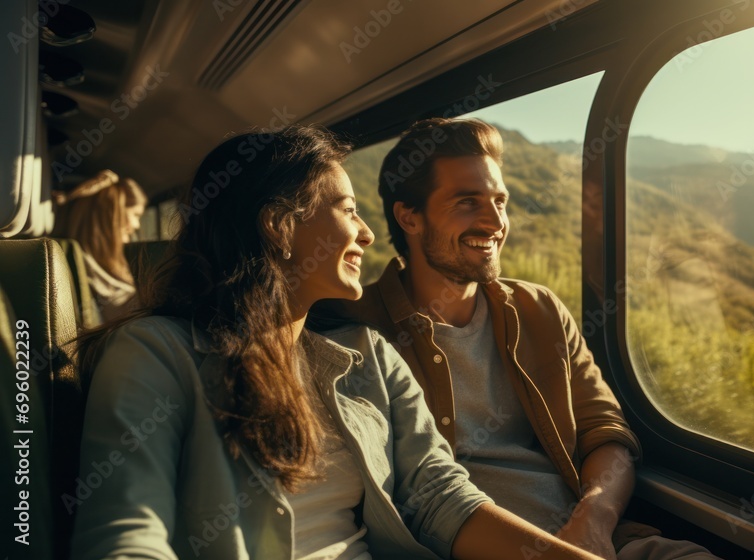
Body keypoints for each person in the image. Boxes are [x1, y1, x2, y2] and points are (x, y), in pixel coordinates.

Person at [70, 125, 603, 560]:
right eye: (348, 211)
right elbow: (127, 540)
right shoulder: (156, 354)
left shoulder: (368, 356)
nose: (368, 234)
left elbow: (440, 496)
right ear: (279, 226)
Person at [309, 118, 721, 560]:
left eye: (500, 201)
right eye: (468, 202)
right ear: (409, 216)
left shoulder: (538, 309)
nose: (494, 222)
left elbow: (606, 432)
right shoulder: (350, 326)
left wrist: (592, 523)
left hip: (601, 542)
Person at [53, 169, 147, 321]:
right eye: (135, 214)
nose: (136, 225)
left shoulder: (91, 263)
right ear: (110, 215)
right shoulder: (84, 266)